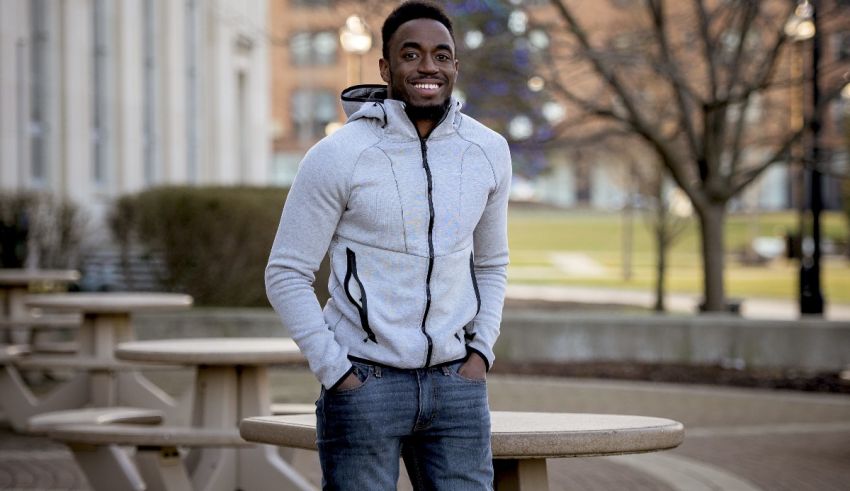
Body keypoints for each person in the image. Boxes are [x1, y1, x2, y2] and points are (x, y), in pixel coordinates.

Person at [265, 1, 511, 489]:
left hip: (456, 387)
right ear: (385, 66)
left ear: (455, 67)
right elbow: (285, 273)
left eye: (442, 56)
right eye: (411, 54)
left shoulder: (488, 151)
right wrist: (336, 371)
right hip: (364, 386)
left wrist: (480, 352)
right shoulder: (337, 155)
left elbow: (492, 263)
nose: (428, 67)